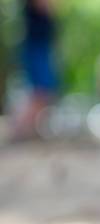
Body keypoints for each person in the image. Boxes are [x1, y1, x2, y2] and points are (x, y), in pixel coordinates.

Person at [13, 0, 59, 140]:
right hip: (36, 46)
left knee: (43, 92)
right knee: (41, 91)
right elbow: (46, 7)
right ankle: (20, 129)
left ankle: (26, 129)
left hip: (40, 46)